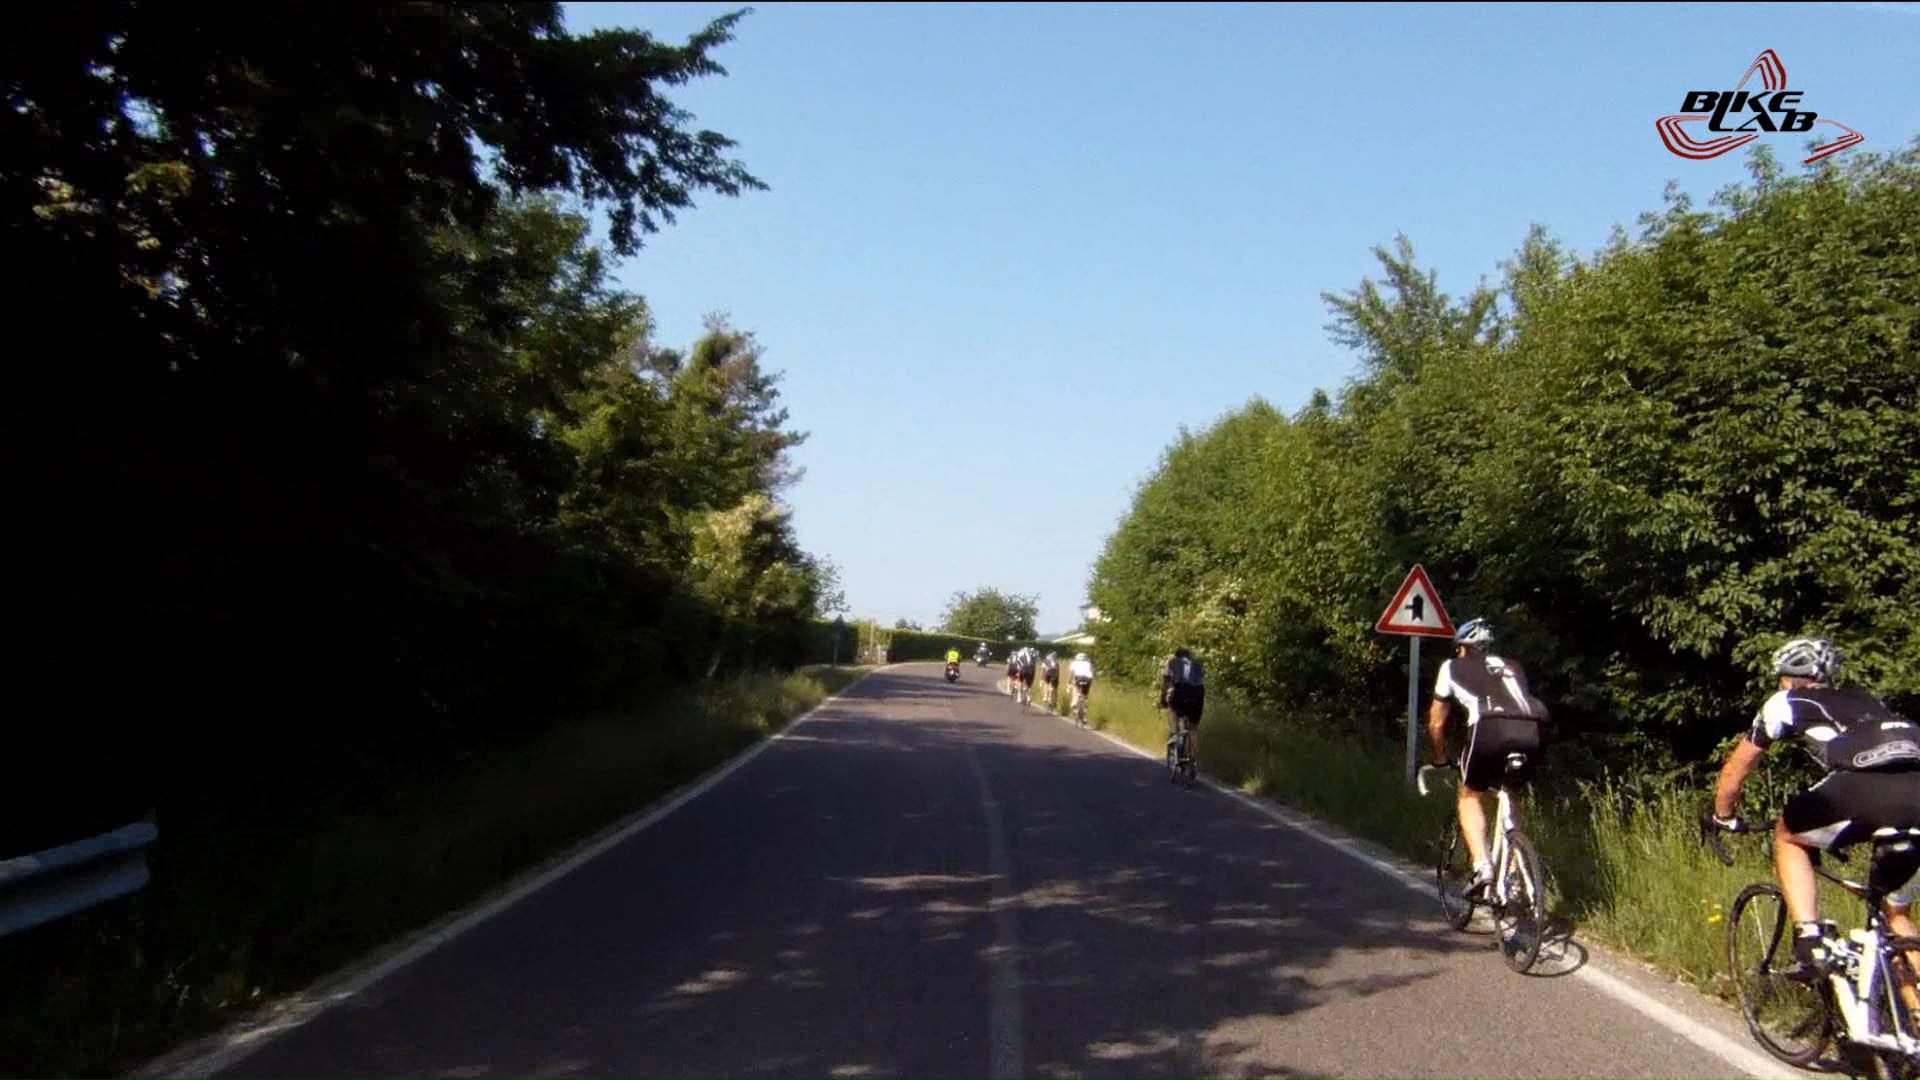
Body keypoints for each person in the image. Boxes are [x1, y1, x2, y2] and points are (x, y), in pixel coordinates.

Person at [1707, 637, 1920, 982]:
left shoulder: (1785, 702)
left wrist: (1723, 816)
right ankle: (1912, 1020)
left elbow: (1736, 770)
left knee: (1788, 834)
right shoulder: (1869, 700)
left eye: (1780, 677)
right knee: (1895, 916)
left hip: (1861, 785)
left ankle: (1809, 939)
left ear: (1789, 678)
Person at [1425, 618, 1550, 899]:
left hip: (1490, 727)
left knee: (1469, 794)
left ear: (1463, 648)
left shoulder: (1451, 667)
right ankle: (1516, 871)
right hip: (1533, 728)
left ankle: (1483, 867)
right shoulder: (1513, 666)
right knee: (1510, 793)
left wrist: (1441, 757)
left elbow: (1435, 723)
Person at [1160, 648, 1206, 768]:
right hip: (1198, 693)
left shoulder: (1173, 662)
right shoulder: (1198, 665)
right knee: (1193, 728)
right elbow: (1201, 681)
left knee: (1172, 709)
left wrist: (1163, 699)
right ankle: (1193, 760)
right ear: (1189, 656)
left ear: (1177, 655)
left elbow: (1166, 680)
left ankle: (1175, 733)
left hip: (1180, 689)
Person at [1069, 651, 1095, 724]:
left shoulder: (1074, 663)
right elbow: (1092, 673)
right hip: (1088, 679)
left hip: (1078, 678)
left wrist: (1069, 683)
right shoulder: (1088, 663)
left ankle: (1074, 703)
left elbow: (1071, 674)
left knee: (1076, 690)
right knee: (1085, 697)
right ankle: (1084, 717)